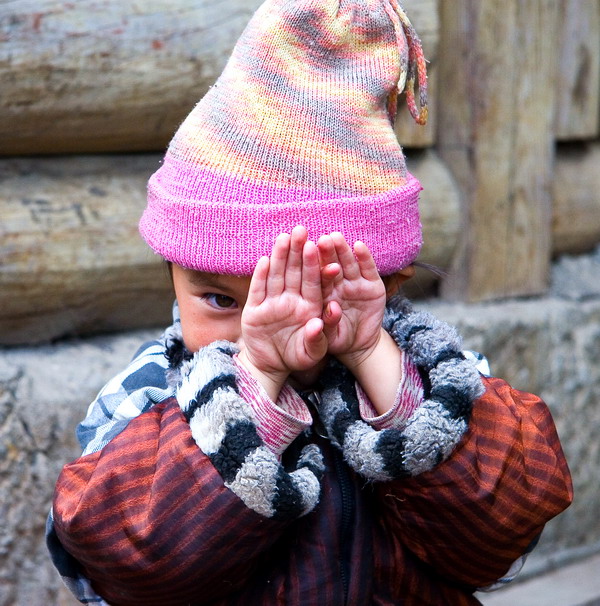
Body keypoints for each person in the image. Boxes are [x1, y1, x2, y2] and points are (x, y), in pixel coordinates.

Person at [47, 1, 572, 604]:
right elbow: (129, 565)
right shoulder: (149, 396)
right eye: (218, 297)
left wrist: (379, 362)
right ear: (172, 275)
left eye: (300, 294)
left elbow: (498, 535)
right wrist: (254, 390)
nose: (258, 325)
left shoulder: (434, 383)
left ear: (387, 284)